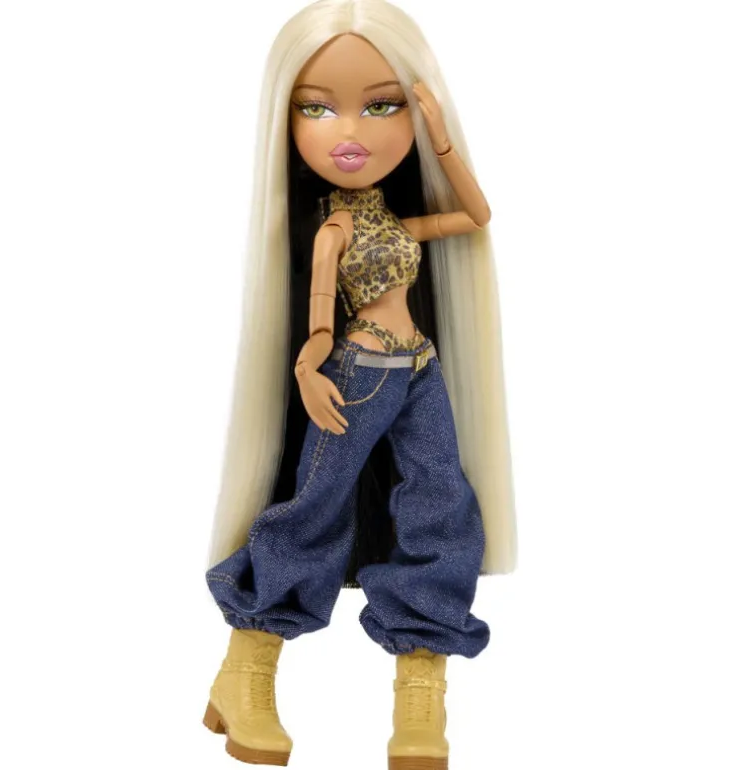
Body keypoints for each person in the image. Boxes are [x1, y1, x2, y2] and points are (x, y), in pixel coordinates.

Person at [202, 1, 517, 766]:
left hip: (419, 369)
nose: (350, 133)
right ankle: (247, 665)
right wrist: (308, 369)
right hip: (357, 374)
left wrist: (441, 133)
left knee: (441, 501)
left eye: (383, 105)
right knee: (317, 503)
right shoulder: (334, 231)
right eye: (316, 108)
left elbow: (475, 213)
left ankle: (421, 683)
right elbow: (319, 317)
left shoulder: (399, 223)